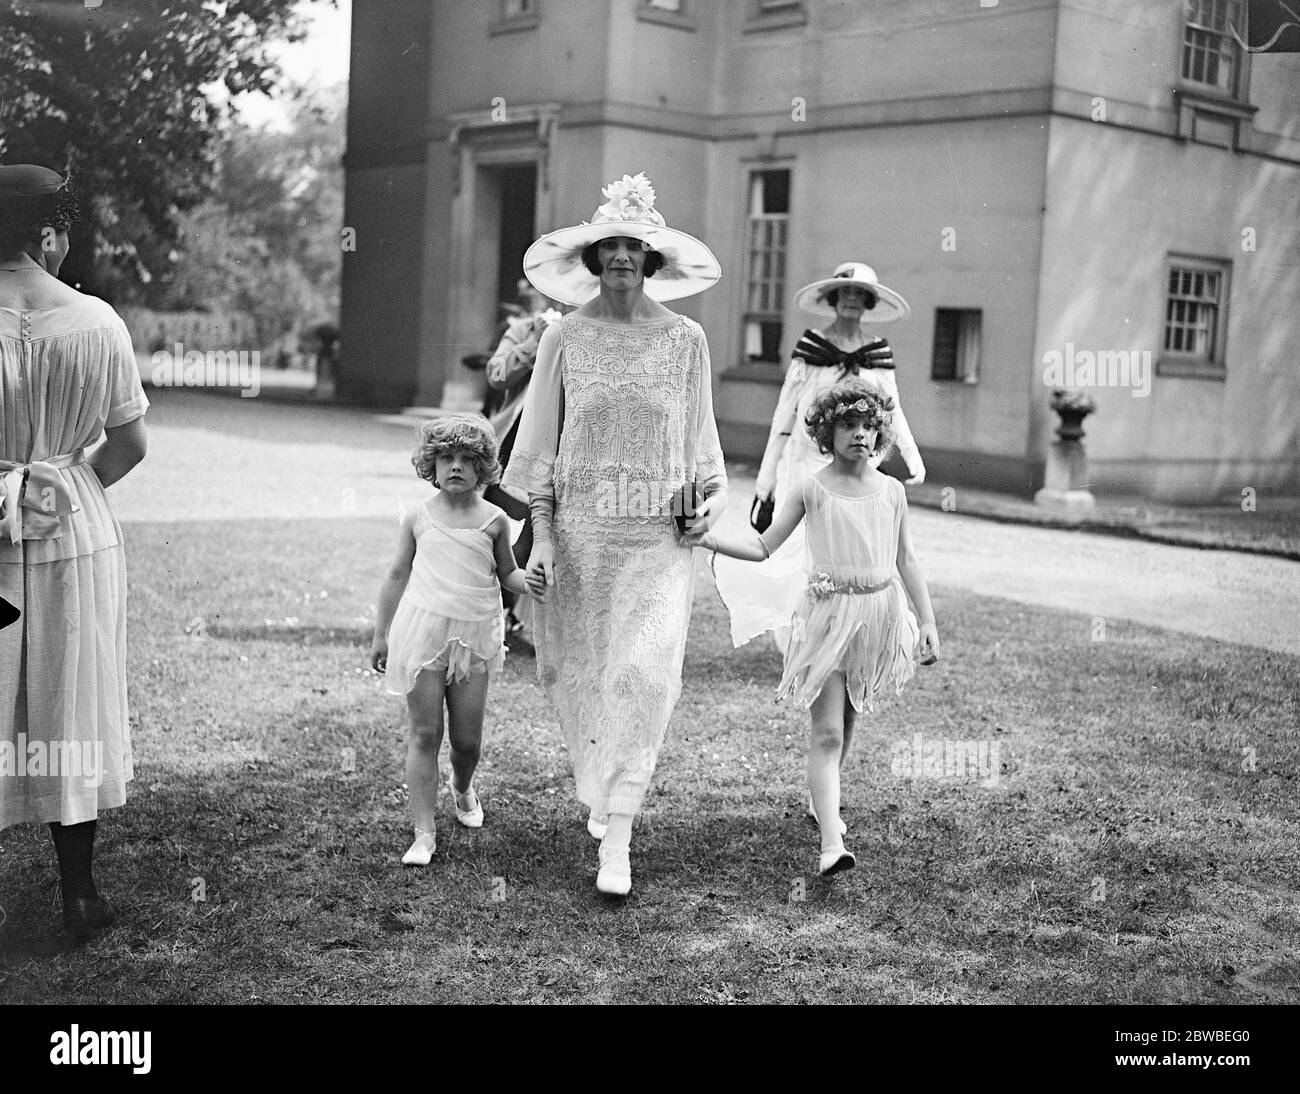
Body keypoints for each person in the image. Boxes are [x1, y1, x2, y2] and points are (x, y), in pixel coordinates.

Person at [503, 172, 726, 896]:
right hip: (581, 538)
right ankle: (605, 789)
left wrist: (704, 506)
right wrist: (540, 537)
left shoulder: (686, 340)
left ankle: (619, 839)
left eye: (634, 246)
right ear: (595, 259)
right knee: (589, 677)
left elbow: (705, 460)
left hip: (658, 544)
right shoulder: (565, 338)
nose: (623, 257)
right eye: (611, 247)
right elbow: (538, 451)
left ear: (650, 258)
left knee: (641, 674)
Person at [690, 382, 939, 878]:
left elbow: (905, 557)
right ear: (828, 431)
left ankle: (821, 797)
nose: (861, 436)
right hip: (828, 620)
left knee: (849, 722)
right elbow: (765, 547)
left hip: (878, 617)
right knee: (826, 733)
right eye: (849, 425)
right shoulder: (812, 487)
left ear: (881, 434)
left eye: (870, 427)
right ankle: (830, 843)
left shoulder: (891, 492)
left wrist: (927, 620)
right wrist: (708, 538)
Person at [0, 165, 149, 937]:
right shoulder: (97, 321)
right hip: (75, 525)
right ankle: (78, 893)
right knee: (71, 696)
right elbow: (128, 445)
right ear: (48, 231)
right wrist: (58, 484)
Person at [718, 261, 923, 650]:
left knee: (850, 547)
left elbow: (892, 410)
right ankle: (798, 635)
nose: (850, 301)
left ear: (867, 303)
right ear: (833, 299)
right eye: (844, 293)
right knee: (797, 547)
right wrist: (767, 476)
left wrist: (911, 456)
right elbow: (786, 411)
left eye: (858, 296)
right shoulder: (811, 347)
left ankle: (846, 630)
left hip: (859, 463)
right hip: (806, 459)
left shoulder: (877, 353)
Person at [369, 415, 529, 866]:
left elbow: (508, 575)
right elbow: (396, 574)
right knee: (425, 733)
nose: (455, 467)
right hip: (422, 633)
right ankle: (424, 832)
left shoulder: (495, 520)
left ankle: (462, 786)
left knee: (466, 741)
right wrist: (382, 633)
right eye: (446, 458)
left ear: (482, 468)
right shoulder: (418, 517)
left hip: (475, 635)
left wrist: (532, 583)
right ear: (431, 466)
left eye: (466, 459)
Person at [483, 284, 564, 645]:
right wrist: (536, 342)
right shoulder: (523, 328)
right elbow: (497, 375)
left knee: (535, 536)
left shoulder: (588, 330)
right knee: (489, 533)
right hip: (512, 446)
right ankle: (482, 611)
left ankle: (511, 620)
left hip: (561, 449)